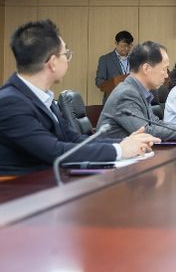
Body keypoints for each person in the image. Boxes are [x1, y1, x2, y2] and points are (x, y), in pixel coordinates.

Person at [0, 20, 158, 176]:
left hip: (50, 182)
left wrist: (124, 143)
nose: (68, 60)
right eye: (66, 55)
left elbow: (73, 138)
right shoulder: (11, 102)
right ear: (53, 63)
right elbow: (55, 151)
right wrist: (119, 150)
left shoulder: (45, 98)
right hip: (23, 188)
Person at [97, 41, 176, 141]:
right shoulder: (126, 94)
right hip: (114, 150)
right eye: (164, 69)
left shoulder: (139, 90)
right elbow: (145, 131)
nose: (166, 75)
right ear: (146, 68)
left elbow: (155, 123)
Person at [95, 30, 134, 104]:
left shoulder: (135, 59)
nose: (126, 49)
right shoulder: (105, 59)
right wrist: (114, 82)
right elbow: (99, 82)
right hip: (113, 102)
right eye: (123, 46)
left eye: (129, 46)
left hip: (132, 101)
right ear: (116, 43)